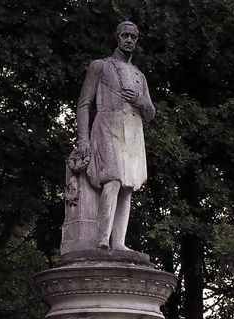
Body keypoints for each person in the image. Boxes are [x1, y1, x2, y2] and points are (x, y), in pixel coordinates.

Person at [77, 21, 155, 250]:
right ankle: (102, 239)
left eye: (133, 37)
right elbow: (83, 104)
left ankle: (119, 243)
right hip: (107, 126)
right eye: (125, 35)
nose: (129, 40)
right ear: (117, 38)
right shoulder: (100, 66)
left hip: (132, 132)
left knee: (128, 186)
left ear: (137, 40)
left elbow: (150, 112)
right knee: (113, 180)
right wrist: (83, 138)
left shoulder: (140, 76)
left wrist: (139, 101)